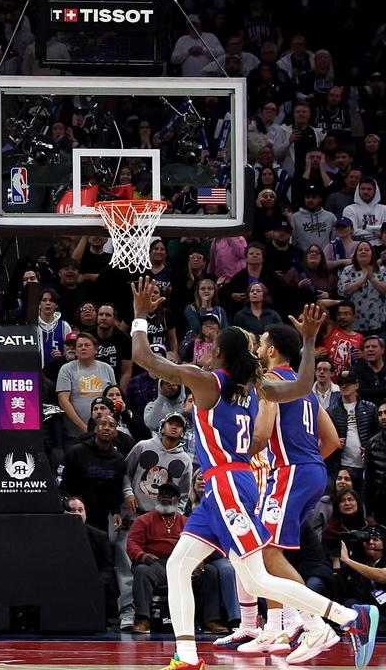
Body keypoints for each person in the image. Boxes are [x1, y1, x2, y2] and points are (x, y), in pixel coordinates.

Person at [129, 277, 377, 670]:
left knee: (257, 578)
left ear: (220, 354)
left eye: (211, 347)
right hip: (223, 486)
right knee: (178, 567)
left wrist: (141, 315)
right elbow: (301, 386)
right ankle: (188, 657)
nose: (205, 352)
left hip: (229, 483)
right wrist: (310, 343)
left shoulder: (209, 383)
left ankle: (348, 617)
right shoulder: (258, 388)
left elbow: (144, 357)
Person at [224, 325, 341, 659]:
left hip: (289, 473)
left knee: (267, 555)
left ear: (272, 349)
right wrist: (307, 463)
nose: (259, 347)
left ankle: (315, 624)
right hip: (313, 472)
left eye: (261, 343)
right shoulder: (302, 387)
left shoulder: (269, 384)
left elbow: (260, 435)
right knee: (270, 552)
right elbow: (332, 439)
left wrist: (233, 455)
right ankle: (275, 629)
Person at [127, 483, 225, 635]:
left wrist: (200, 559)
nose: (165, 496)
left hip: (183, 563)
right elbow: (132, 543)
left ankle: (211, 620)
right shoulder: (144, 520)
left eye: (169, 494)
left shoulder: (187, 522)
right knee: (142, 571)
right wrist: (141, 555)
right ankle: (143, 619)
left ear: (178, 500)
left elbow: (201, 542)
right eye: (162, 494)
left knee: (210, 572)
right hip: (156, 563)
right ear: (157, 497)